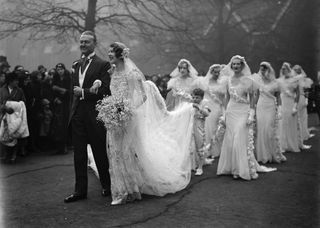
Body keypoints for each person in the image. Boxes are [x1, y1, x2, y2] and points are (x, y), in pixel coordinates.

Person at [89, 42, 195, 205]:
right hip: (114, 118)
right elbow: (104, 83)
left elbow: (142, 96)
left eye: (112, 52)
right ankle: (120, 189)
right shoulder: (112, 71)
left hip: (128, 118)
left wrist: (125, 109)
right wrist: (107, 99)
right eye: (109, 52)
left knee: (126, 153)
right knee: (115, 154)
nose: (109, 55)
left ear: (120, 55)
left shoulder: (132, 74)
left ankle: (130, 190)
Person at [64, 31, 111, 203]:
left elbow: (105, 91)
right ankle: (80, 191)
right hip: (78, 116)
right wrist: (72, 112)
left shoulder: (103, 65)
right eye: (81, 42)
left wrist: (83, 92)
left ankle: (107, 185)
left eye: (87, 42)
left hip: (95, 115)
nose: (83, 44)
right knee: (79, 155)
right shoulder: (76, 64)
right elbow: (72, 92)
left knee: (99, 152)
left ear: (94, 44)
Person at [217, 55, 276, 180]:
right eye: (234, 64)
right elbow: (226, 98)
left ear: (242, 65)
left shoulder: (248, 80)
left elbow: (253, 98)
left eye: (238, 64)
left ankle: (240, 169)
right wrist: (224, 115)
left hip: (243, 111)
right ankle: (231, 167)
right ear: (231, 66)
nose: (236, 66)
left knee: (239, 137)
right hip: (231, 111)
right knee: (230, 139)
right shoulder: (227, 80)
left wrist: (252, 114)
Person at [252, 62, 286, 163]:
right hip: (260, 107)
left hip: (271, 107)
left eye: (264, 69)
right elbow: (256, 96)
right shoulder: (257, 81)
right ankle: (262, 155)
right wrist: (252, 110)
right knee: (261, 130)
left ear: (269, 70)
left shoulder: (276, 83)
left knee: (269, 129)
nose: (262, 71)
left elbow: (278, 97)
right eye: (261, 69)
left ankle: (272, 153)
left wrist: (279, 110)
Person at [195, 64, 226, 158]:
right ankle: (206, 149)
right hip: (208, 106)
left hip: (217, 107)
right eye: (214, 72)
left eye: (218, 72)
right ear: (211, 72)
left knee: (216, 128)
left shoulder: (223, 83)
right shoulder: (204, 82)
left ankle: (215, 150)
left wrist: (224, 110)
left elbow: (224, 98)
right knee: (207, 127)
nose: (216, 74)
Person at [0, 72, 28, 163]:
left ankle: (13, 155)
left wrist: (16, 106)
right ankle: (5, 154)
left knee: (15, 135)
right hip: (4, 115)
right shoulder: (2, 90)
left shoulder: (19, 90)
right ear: (10, 81)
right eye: (15, 80)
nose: (17, 82)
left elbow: (23, 101)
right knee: (4, 134)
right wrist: (4, 107)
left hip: (15, 116)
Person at [278, 62, 301, 153]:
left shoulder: (294, 80)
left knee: (291, 123)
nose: (283, 70)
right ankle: (283, 145)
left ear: (289, 69)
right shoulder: (279, 80)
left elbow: (298, 93)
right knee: (282, 124)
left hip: (291, 103)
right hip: (283, 102)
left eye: (285, 69)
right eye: (282, 69)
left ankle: (292, 144)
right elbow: (278, 94)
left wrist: (295, 106)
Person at [51, 63, 72, 154]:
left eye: (61, 69)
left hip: (67, 104)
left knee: (65, 125)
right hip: (58, 105)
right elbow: (52, 91)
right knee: (57, 125)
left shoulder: (69, 78)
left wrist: (59, 89)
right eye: (58, 69)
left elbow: (69, 91)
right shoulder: (55, 78)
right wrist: (55, 98)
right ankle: (59, 147)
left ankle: (65, 146)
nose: (60, 71)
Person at [293, 65, 314, 148]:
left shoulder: (300, 79)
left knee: (303, 117)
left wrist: (306, 99)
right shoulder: (297, 79)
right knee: (299, 117)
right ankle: (299, 134)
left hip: (300, 98)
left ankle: (303, 134)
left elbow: (306, 91)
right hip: (296, 98)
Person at [191, 88, 211, 176]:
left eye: (197, 97)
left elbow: (207, 114)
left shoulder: (204, 104)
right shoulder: (190, 104)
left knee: (200, 146)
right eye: (194, 97)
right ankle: (193, 164)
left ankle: (200, 167)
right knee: (190, 146)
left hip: (199, 127)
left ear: (201, 98)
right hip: (190, 127)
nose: (195, 99)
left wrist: (199, 107)